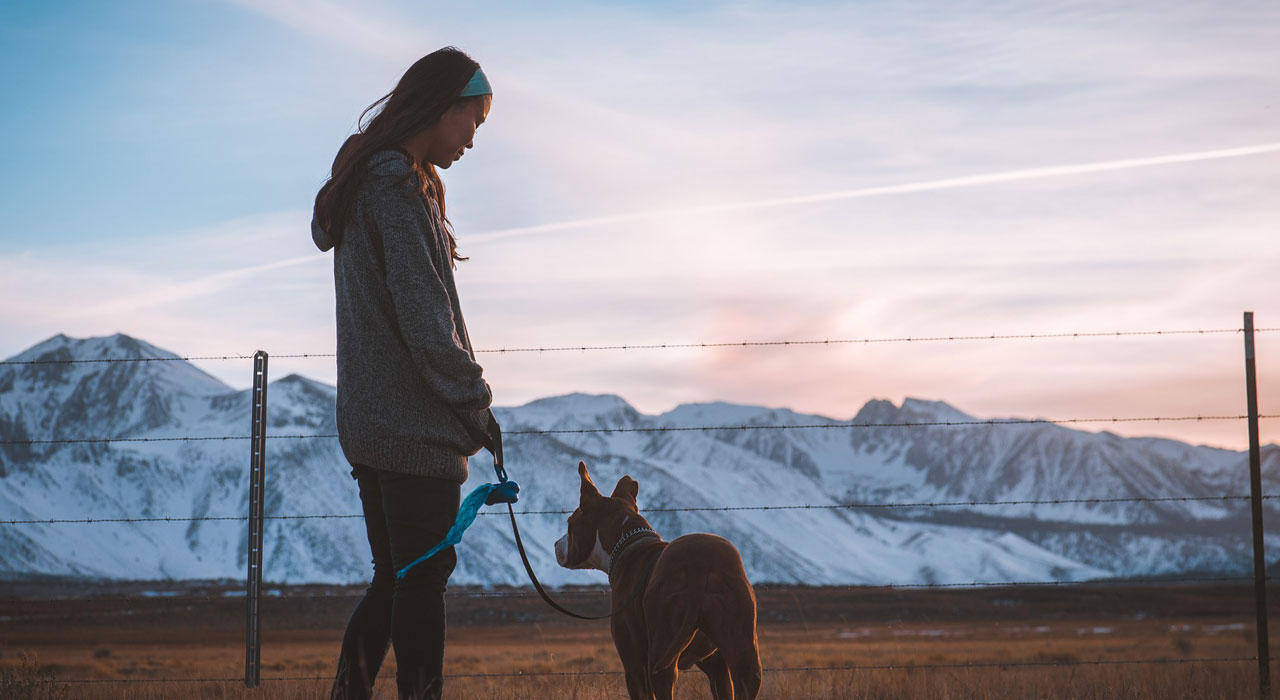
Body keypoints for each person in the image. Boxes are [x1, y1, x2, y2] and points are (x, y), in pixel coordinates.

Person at [310, 46, 501, 700]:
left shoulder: (372, 183)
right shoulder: (396, 189)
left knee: (396, 577)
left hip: (370, 421)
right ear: (443, 107)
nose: (474, 139)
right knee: (420, 580)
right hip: (413, 427)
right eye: (473, 121)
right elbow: (428, 326)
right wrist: (478, 408)